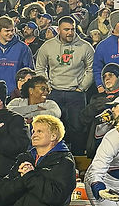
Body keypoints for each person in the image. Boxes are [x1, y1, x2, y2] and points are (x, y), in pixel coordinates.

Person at [0, 114, 77, 206]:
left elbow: (56, 196)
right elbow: (2, 193)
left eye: (39, 131)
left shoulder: (64, 161)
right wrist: (23, 179)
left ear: (53, 136)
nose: (34, 135)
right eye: (33, 131)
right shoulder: (24, 158)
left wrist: (29, 176)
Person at [34, 15, 94, 154]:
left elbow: (91, 69)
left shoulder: (85, 47)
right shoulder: (47, 46)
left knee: (78, 128)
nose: (70, 32)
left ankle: (78, 158)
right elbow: (40, 68)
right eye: (66, 29)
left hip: (76, 94)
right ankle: (54, 157)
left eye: (72, 29)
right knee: (52, 128)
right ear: (59, 30)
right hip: (54, 92)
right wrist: (47, 87)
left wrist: (81, 88)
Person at [0, 17, 33, 95]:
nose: (10, 33)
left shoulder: (23, 48)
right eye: (7, 31)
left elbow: (29, 72)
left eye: (12, 30)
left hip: (16, 94)